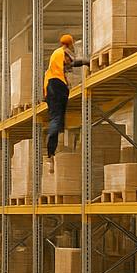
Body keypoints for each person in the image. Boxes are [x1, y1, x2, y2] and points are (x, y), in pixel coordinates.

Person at [43, 33, 89, 171]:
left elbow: (67, 66)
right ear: (68, 44)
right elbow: (73, 61)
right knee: (56, 120)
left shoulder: (55, 57)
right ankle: (50, 152)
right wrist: (88, 61)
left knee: (57, 119)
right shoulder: (62, 51)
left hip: (50, 89)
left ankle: (51, 154)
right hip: (57, 86)